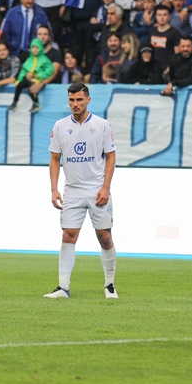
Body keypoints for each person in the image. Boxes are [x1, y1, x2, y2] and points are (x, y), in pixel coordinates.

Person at [44, 82, 118, 300]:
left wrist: (106, 187)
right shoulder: (59, 126)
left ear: (88, 100)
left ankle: (110, 285)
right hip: (72, 190)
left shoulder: (102, 125)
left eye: (79, 99)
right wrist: (54, 189)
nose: (75, 104)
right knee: (68, 235)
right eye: (71, 100)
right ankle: (63, 287)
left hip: (97, 188)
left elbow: (111, 156)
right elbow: (55, 158)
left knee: (104, 236)